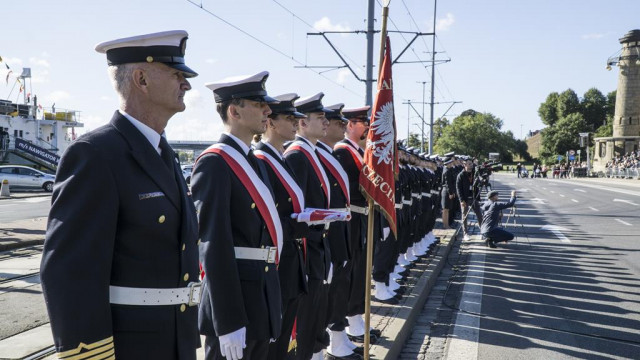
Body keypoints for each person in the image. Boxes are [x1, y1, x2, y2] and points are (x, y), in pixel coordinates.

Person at [40, 30, 201, 359]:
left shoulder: (162, 153)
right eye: (177, 74)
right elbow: (68, 271)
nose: (186, 84)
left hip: (173, 340)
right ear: (141, 79)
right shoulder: (96, 153)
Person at [194, 71, 282, 360]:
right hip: (236, 304)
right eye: (259, 103)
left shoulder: (253, 162)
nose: (268, 110)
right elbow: (213, 245)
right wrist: (228, 318)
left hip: (261, 293)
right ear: (234, 110)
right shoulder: (215, 163)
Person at [254, 93, 309, 360]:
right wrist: (300, 224)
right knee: (273, 344)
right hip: (278, 261)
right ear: (272, 123)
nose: (296, 124)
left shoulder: (280, 158)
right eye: (289, 118)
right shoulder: (261, 160)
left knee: (284, 338)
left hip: (292, 259)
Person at [283, 92, 333, 360]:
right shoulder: (297, 156)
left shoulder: (311, 153)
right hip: (307, 246)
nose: (326, 123)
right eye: (320, 118)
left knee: (317, 311)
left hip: (318, 245)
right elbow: (296, 210)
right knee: (306, 317)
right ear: (303, 124)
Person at [456, 158, 483, 241]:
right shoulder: (461, 175)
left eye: (471, 164)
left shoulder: (475, 173)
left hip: (474, 197)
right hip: (465, 198)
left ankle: (483, 231)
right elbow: (458, 188)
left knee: (479, 214)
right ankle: (465, 233)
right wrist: (461, 200)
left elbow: (479, 184)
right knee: (464, 216)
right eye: (469, 164)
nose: (471, 166)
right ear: (464, 165)